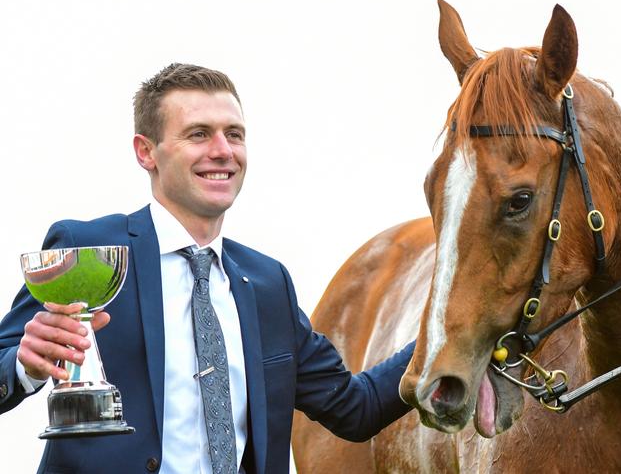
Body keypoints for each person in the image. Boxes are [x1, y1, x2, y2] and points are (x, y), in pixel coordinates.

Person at [0, 63, 415, 473]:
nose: (223, 150)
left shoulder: (269, 283)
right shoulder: (89, 251)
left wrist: (453, 331)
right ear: (146, 152)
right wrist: (23, 365)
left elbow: (355, 408)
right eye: (199, 134)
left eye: (234, 134)